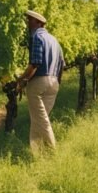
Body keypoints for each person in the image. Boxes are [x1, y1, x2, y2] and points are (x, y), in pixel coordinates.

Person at [16, 10, 65, 151]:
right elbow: (62, 64)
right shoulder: (54, 40)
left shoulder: (37, 37)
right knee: (38, 120)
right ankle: (38, 154)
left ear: (39, 23)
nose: (27, 23)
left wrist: (22, 79)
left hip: (39, 82)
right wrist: (57, 82)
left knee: (41, 121)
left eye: (30, 20)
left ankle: (52, 152)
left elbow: (35, 63)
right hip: (54, 82)